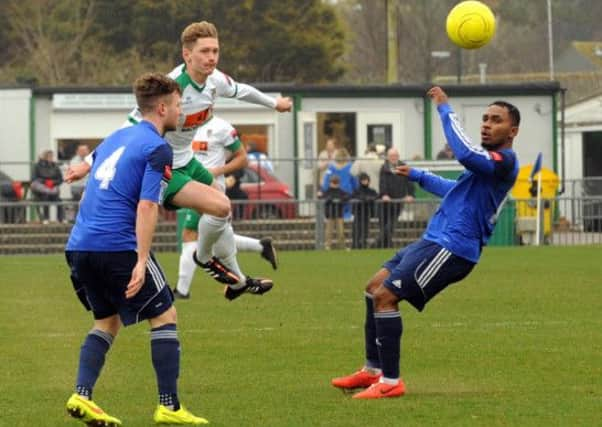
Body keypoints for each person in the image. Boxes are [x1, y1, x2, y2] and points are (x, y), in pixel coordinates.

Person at [67, 21, 291, 300]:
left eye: (215, 51)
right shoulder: (172, 87)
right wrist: (88, 163)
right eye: (204, 51)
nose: (211, 57)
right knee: (220, 206)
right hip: (165, 167)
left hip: (189, 161)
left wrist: (274, 103)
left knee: (222, 207)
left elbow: (242, 90)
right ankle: (204, 257)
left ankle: (236, 282)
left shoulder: (214, 81)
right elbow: (127, 127)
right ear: (187, 55)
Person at [331, 86, 520, 399]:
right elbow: (454, 190)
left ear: (512, 131)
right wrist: (418, 175)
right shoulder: (485, 166)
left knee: (386, 298)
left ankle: (391, 382)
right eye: (485, 118)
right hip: (433, 240)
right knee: (372, 289)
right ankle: (372, 370)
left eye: (495, 120)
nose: (487, 124)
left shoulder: (504, 162)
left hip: (453, 248)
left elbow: (465, 153)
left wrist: (445, 109)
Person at [64, 73, 208, 425]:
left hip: (80, 245)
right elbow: (147, 206)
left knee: (106, 320)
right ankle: (169, 406)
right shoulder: (158, 148)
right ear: (162, 108)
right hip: (119, 246)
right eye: (177, 105)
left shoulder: (116, 137)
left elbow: (92, 182)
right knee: (165, 315)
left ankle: (81, 395)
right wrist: (141, 260)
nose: (181, 111)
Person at [174, 116, 278, 300]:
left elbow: (242, 159)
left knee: (191, 235)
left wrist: (215, 172)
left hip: (209, 190)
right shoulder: (184, 124)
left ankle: (182, 290)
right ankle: (248, 269)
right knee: (222, 237)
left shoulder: (220, 127)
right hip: (194, 186)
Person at [376, 147, 415, 248]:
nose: (393, 158)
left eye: (395, 156)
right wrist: (384, 194)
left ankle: (376, 244)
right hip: (385, 202)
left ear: (398, 156)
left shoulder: (403, 167)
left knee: (391, 224)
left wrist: (410, 195)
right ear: (388, 157)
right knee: (383, 224)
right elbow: (382, 183)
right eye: (391, 156)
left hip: (398, 200)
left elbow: (410, 182)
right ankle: (385, 245)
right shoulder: (384, 168)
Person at [321, 148, 357, 221]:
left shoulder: (331, 167)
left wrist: (325, 191)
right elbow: (355, 181)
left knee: (333, 212)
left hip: (333, 193)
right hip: (347, 193)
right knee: (346, 212)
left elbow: (326, 181)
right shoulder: (350, 166)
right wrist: (355, 191)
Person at [30, 149, 64, 223]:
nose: (51, 158)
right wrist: (45, 182)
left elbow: (60, 179)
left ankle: (61, 219)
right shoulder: (37, 166)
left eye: (52, 156)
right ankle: (46, 218)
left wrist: (53, 182)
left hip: (53, 188)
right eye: (49, 156)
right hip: (41, 191)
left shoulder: (55, 166)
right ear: (45, 157)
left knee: (59, 201)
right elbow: (34, 178)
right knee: (46, 197)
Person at [320, 174, 349, 250]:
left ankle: (342, 246)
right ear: (330, 182)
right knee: (329, 232)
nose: (334, 184)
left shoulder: (341, 191)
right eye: (333, 182)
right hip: (330, 214)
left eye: (336, 182)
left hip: (339, 214)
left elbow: (347, 196)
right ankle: (327, 246)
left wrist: (340, 200)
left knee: (341, 232)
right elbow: (324, 198)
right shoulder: (327, 191)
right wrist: (333, 199)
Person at [351, 172, 379, 249]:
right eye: (363, 180)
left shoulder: (371, 191)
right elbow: (354, 197)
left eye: (366, 180)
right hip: (358, 213)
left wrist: (369, 199)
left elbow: (376, 196)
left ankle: (363, 245)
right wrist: (364, 198)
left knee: (365, 230)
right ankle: (355, 245)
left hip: (367, 213)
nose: (364, 181)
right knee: (356, 230)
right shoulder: (356, 190)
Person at [67, 144, 90, 221]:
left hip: (88, 186)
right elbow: (75, 174)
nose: (84, 152)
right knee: (76, 203)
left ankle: (86, 219)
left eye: (85, 150)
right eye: (82, 150)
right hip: (77, 186)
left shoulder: (91, 159)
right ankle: (75, 219)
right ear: (78, 152)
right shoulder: (74, 161)